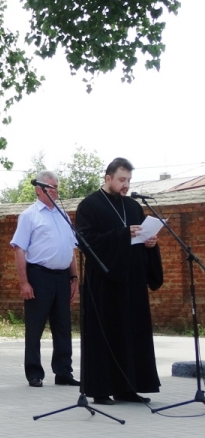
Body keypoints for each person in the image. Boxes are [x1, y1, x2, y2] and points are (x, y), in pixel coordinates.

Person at [75, 157, 163, 405]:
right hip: (104, 282)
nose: (126, 185)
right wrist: (123, 234)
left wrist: (150, 243)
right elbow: (87, 241)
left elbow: (141, 236)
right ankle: (101, 390)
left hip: (131, 281)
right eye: (122, 180)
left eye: (128, 180)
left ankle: (128, 387)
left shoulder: (133, 206)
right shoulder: (89, 206)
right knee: (105, 335)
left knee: (132, 333)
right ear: (108, 178)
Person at [10, 170, 80, 388]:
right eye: (51, 187)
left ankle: (63, 372)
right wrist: (24, 282)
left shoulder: (63, 215)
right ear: (39, 190)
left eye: (57, 186)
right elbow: (19, 249)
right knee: (35, 326)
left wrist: (74, 277)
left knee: (62, 326)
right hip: (39, 275)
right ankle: (34, 372)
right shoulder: (29, 215)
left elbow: (70, 249)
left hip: (61, 277)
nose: (55, 190)